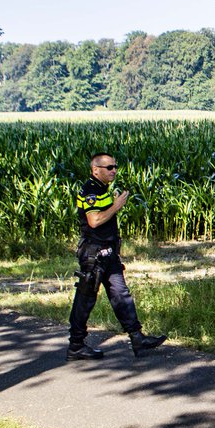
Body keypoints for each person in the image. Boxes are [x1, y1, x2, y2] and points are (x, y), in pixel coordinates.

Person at [66, 152, 166, 361]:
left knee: (121, 295)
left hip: (108, 253)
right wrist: (116, 206)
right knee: (86, 299)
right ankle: (76, 345)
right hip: (94, 254)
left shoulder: (102, 189)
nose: (113, 171)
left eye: (115, 167)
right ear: (95, 170)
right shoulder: (90, 190)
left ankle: (137, 338)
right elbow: (94, 220)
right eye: (108, 167)